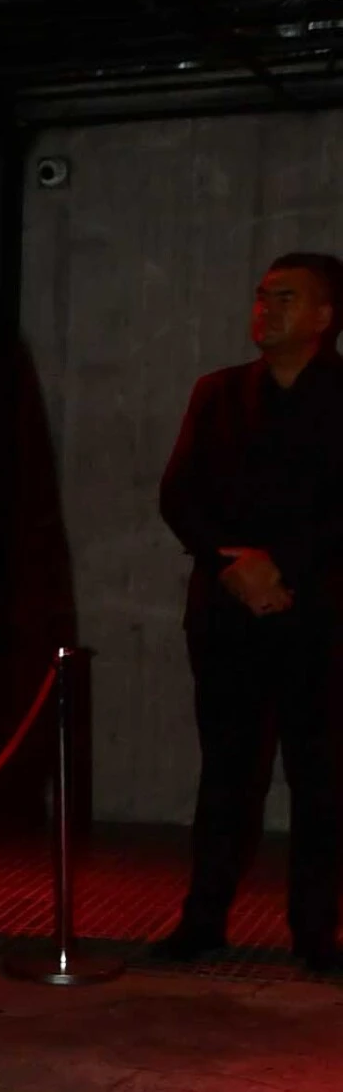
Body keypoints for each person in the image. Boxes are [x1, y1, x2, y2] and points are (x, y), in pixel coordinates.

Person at [157, 252, 343, 971]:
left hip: (318, 614)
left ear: (324, 316)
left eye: (286, 298)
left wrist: (277, 566)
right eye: (262, 296)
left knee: (321, 778)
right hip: (226, 611)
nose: (266, 309)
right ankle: (200, 921)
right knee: (225, 776)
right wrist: (233, 566)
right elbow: (179, 495)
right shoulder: (218, 393)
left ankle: (314, 934)